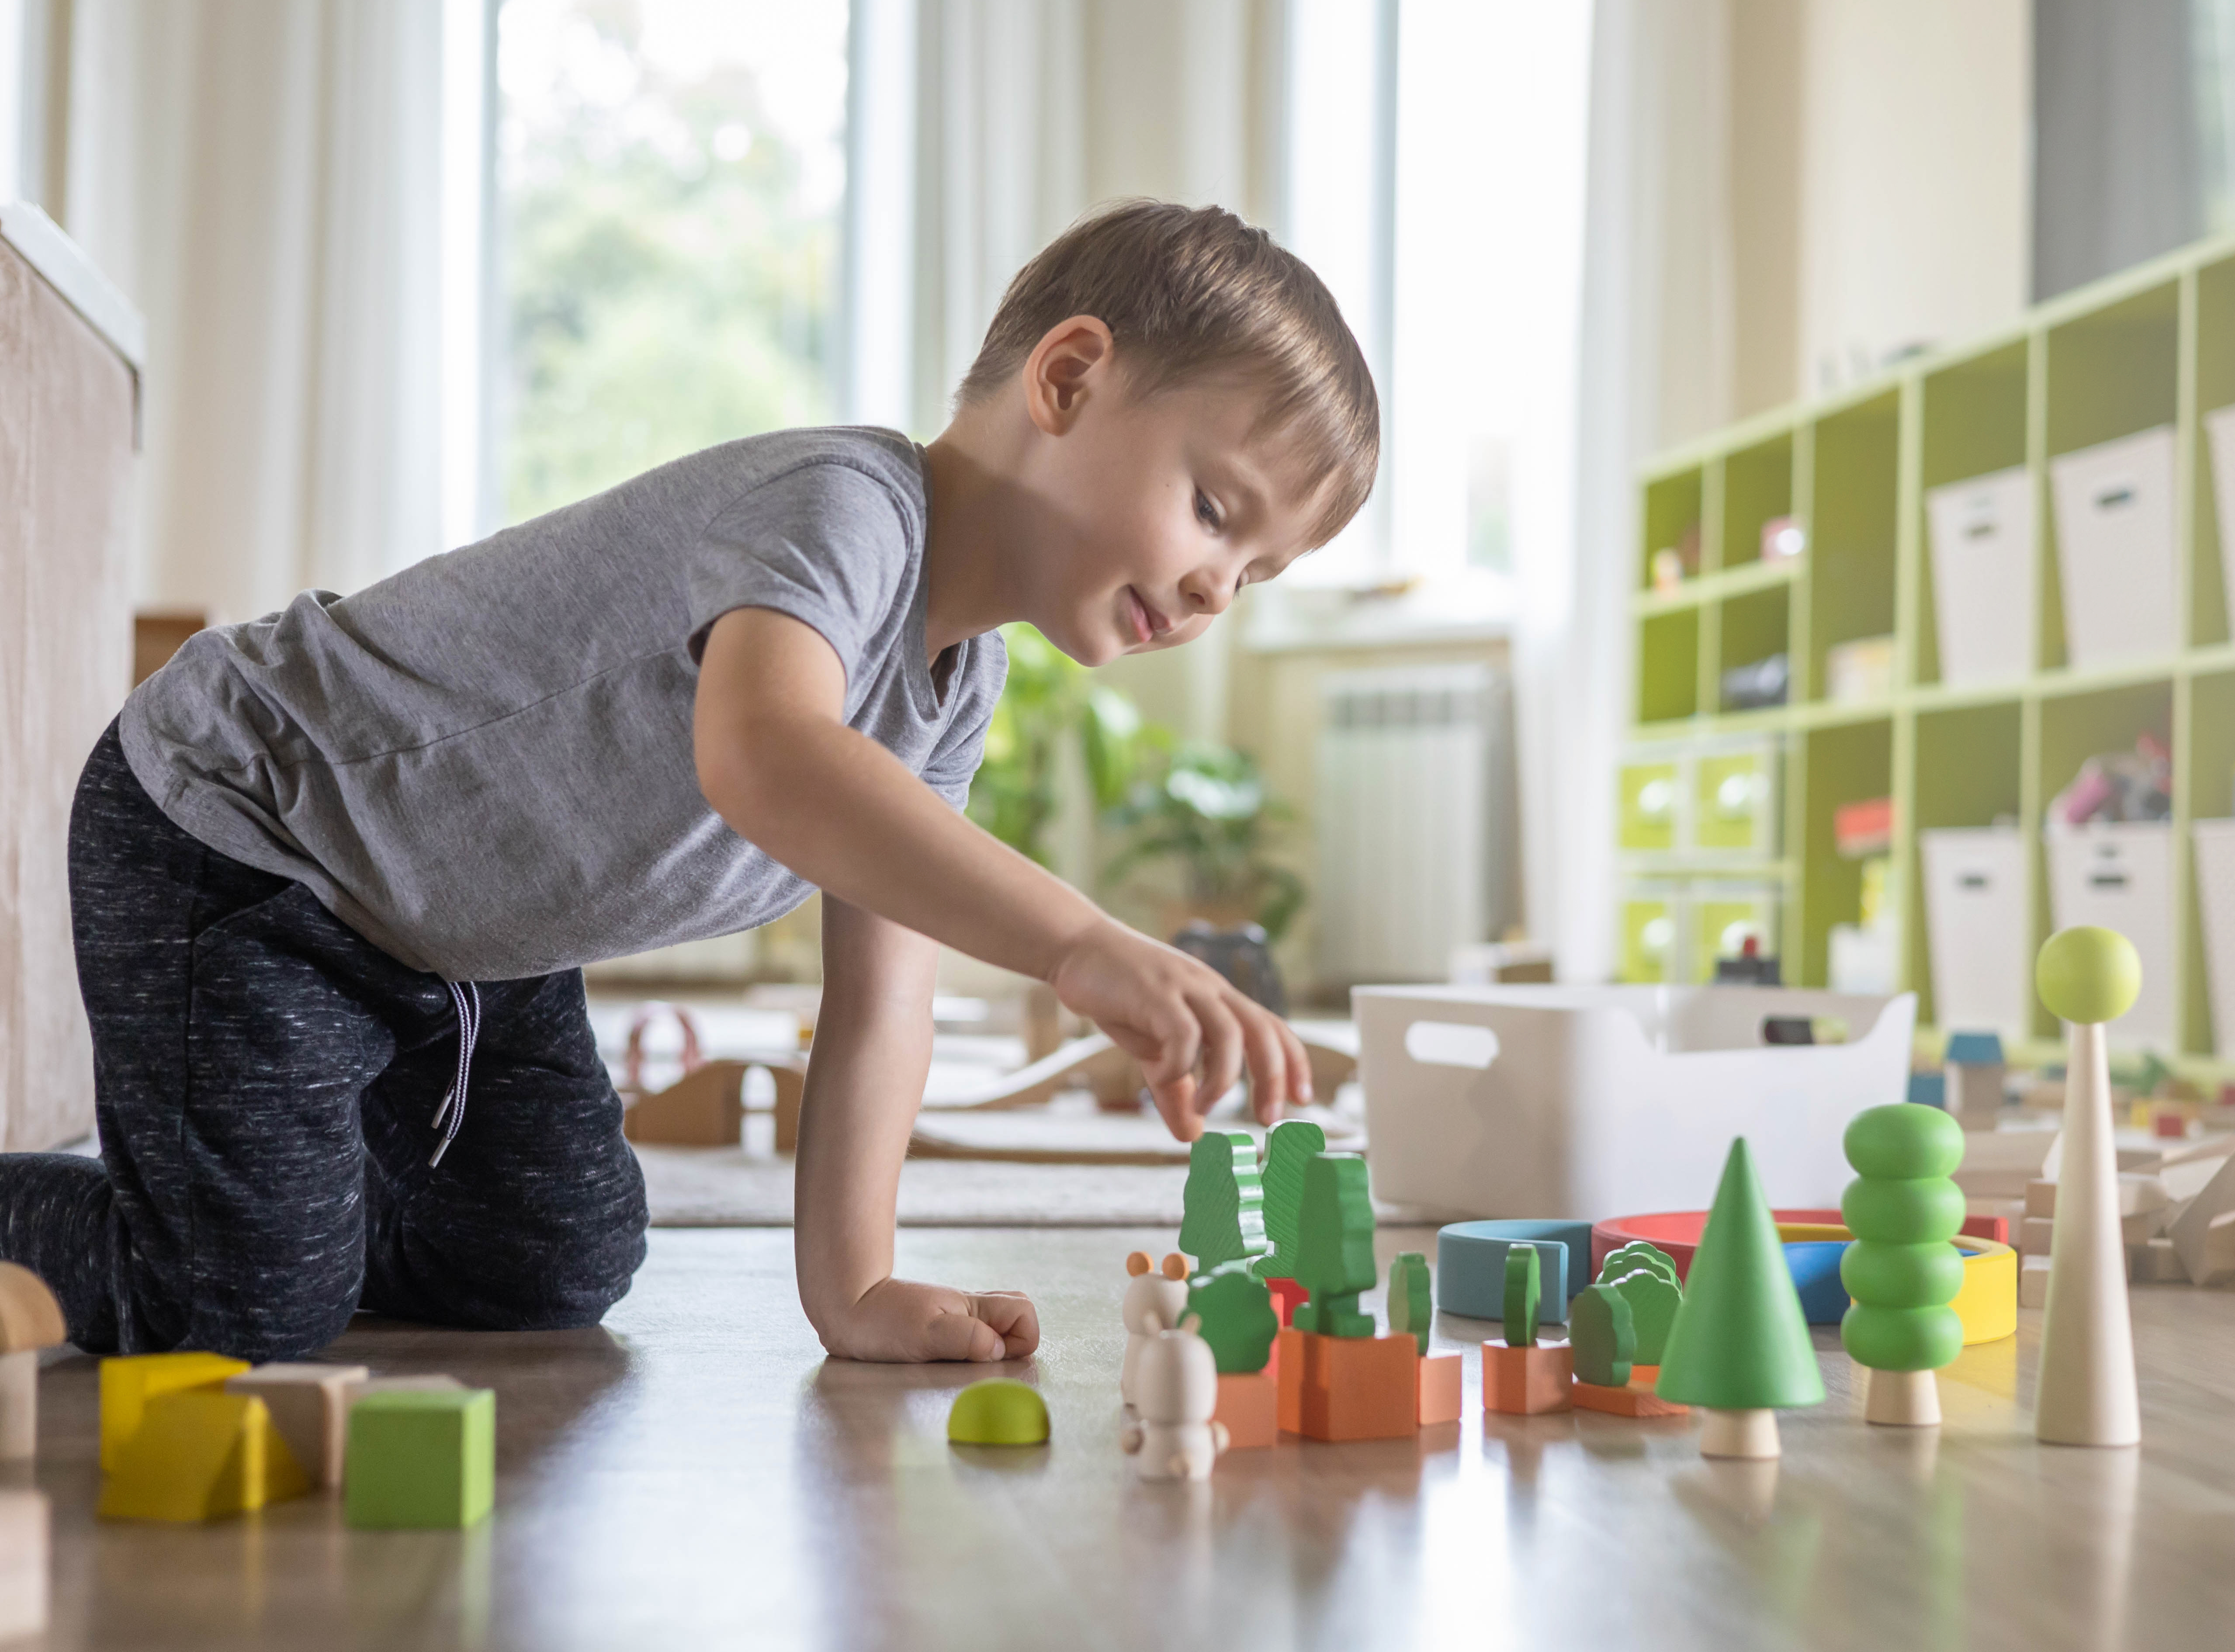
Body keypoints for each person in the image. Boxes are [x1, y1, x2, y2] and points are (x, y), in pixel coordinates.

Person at [0, 199, 1379, 1367]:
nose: (1216, 587)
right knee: (237, 1310)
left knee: (554, 1257)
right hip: (256, 837)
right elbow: (766, 755)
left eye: (1256, 574)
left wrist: (851, 1292)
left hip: (473, 940)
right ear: (1067, 380)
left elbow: (882, 998)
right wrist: (1080, 942)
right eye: (1213, 512)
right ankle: (219, 1231)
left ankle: (267, 1194)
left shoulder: (954, 690)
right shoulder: (844, 507)